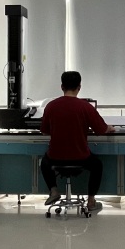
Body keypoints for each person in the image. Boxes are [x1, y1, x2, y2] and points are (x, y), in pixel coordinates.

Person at [40, 71, 114, 214]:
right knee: (97, 165)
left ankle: (54, 190)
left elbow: (44, 131)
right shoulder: (85, 107)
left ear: (62, 87)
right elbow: (101, 129)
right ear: (79, 87)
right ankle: (91, 201)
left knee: (44, 162)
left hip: (55, 157)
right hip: (81, 157)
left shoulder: (51, 106)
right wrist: (109, 128)